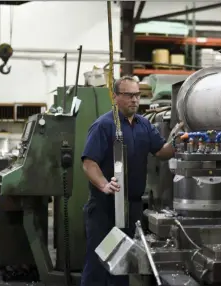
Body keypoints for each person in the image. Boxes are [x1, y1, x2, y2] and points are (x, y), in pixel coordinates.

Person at [80, 76, 175, 286]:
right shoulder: (103, 125)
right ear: (115, 97)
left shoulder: (144, 125)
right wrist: (105, 184)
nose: (134, 99)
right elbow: (89, 163)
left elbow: (161, 151)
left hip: (131, 207)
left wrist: (178, 140)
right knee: (99, 263)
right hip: (105, 208)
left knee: (121, 263)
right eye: (129, 95)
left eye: (137, 95)